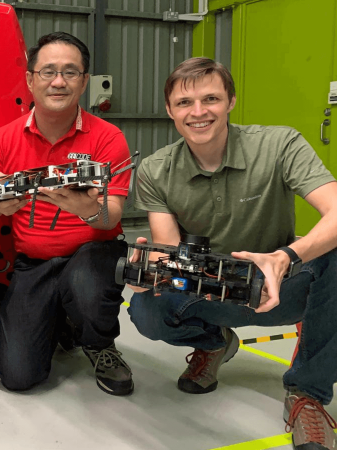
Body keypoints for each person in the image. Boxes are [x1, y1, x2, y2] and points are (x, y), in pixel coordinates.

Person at [128, 57, 337, 450]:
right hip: (208, 291)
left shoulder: (279, 145)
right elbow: (168, 250)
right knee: (146, 310)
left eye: (211, 99)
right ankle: (213, 343)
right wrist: (149, 275)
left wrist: (286, 257)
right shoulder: (156, 170)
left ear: (231, 101)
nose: (199, 112)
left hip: (281, 286)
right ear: (170, 110)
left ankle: (308, 393)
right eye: (185, 102)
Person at [0, 32, 135, 396]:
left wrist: (86, 209)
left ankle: (99, 343)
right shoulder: (5, 138)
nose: (59, 81)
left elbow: (111, 216)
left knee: (87, 285)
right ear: (30, 80)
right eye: (48, 71)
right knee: (17, 376)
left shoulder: (108, 138)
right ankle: (62, 320)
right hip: (34, 262)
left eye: (70, 72)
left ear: (84, 82)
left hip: (93, 253)